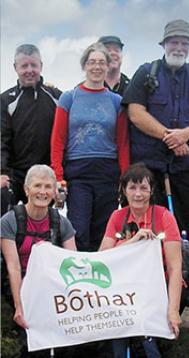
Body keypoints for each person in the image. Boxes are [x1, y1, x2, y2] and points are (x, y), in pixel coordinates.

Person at [122, 19, 189, 291]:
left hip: (185, 165)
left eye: (185, 43)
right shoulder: (145, 73)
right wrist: (169, 137)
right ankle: (150, 284)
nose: (179, 47)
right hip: (149, 167)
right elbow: (135, 113)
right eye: (174, 42)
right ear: (163, 44)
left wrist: (184, 135)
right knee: (148, 225)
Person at [50, 42, 129, 252]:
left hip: (107, 173)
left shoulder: (116, 101)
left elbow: (122, 143)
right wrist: (58, 175)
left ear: (108, 67)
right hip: (78, 173)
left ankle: (101, 280)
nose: (96, 67)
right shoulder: (70, 98)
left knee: (103, 233)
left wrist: (124, 177)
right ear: (84, 65)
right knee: (79, 230)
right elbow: (58, 140)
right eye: (92, 62)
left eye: (101, 62)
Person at [99, 162, 182, 357]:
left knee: (150, 346)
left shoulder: (164, 216)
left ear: (151, 190)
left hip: (159, 289)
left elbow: (175, 268)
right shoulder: (117, 216)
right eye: (132, 188)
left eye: (143, 188)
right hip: (123, 291)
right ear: (124, 190)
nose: (138, 194)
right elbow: (102, 258)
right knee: (117, 338)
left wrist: (173, 310)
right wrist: (134, 241)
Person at [1, 165, 77, 329]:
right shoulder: (9, 221)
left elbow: (73, 262)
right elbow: (12, 267)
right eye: (37, 186)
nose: (42, 192)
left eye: (48, 187)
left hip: (51, 285)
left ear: (54, 192)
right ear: (26, 190)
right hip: (20, 283)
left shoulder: (62, 223)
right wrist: (19, 306)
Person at [1, 44, 62, 215]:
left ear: (41, 66)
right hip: (15, 174)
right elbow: (2, 139)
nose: (29, 70)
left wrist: (60, 175)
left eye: (33, 65)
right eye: (24, 66)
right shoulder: (5, 100)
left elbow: (64, 138)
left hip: (45, 173)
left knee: (44, 223)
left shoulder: (57, 97)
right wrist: (2, 172)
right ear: (15, 68)